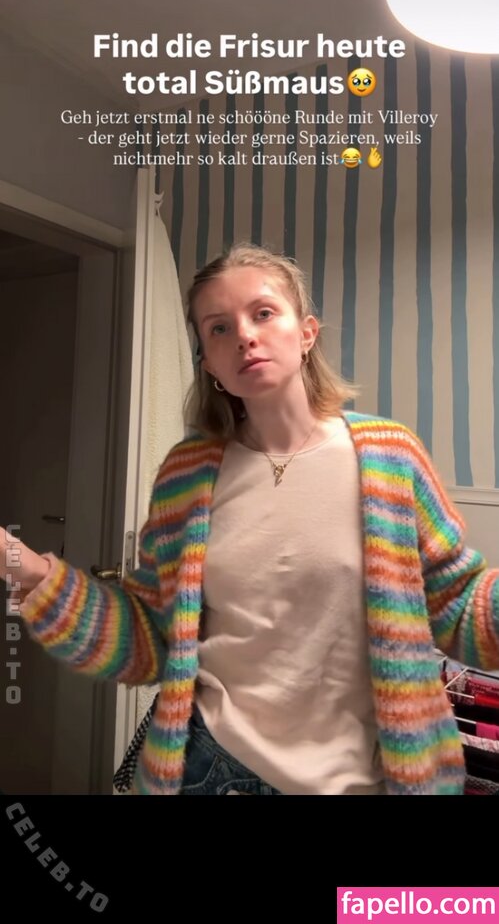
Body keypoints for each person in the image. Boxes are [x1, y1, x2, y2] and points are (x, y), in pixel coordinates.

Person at [2, 242, 499, 796]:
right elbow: (150, 636)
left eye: (263, 313)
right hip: (211, 773)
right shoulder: (186, 475)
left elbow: (458, 608)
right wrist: (24, 566)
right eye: (218, 328)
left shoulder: (391, 456)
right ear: (209, 364)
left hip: (367, 780)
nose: (244, 335)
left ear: (306, 333)